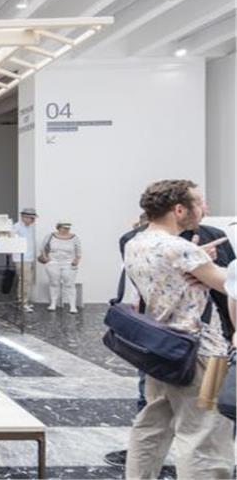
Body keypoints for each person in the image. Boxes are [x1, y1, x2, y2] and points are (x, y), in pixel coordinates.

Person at [124, 180, 234, 479]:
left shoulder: (136, 242)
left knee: (152, 426)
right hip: (201, 353)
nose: (204, 208)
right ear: (179, 209)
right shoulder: (181, 249)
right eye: (198, 202)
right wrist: (213, 266)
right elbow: (229, 284)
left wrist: (198, 260)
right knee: (205, 435)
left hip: (159, 347)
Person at [38, 222, 82, 313]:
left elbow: (78, 251)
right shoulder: (50, 236)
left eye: (68, 228)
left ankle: (72, 306)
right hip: (53, 262)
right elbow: (42, 248)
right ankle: (53, 304)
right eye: (64, 228)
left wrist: (76, 260)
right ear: (58, 228)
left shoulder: (74, 238)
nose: (66, 230)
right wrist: (45, 258)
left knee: (70, 284)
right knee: (54, 283)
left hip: (68, 263)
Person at [12, 208, 38, 312]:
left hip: (29, 257)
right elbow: (12, 241)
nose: (33, 220)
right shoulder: (16, 227)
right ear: (24, 217)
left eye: (33, 218)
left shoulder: (30, 227)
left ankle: (23, 301)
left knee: (26, 280)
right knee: (25, 280)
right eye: (31, 218)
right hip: (21, 258)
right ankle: (23, 302)